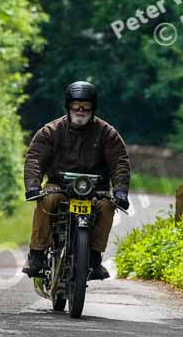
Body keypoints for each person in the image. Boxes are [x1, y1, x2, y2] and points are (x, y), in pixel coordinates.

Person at [22, 81, 130, 280]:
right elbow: (35, 158)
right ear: (68, 105)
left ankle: (94, 259)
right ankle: (36, 255)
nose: (81, 109)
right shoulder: (51, 131)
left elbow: (119, 162)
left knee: (107, 206)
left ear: (93, 107)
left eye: (86, 105)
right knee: (47, 200)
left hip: (96, 188)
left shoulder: (107, 134)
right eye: (76, 104)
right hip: (58, 185)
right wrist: (32, 185)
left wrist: (121, 191)